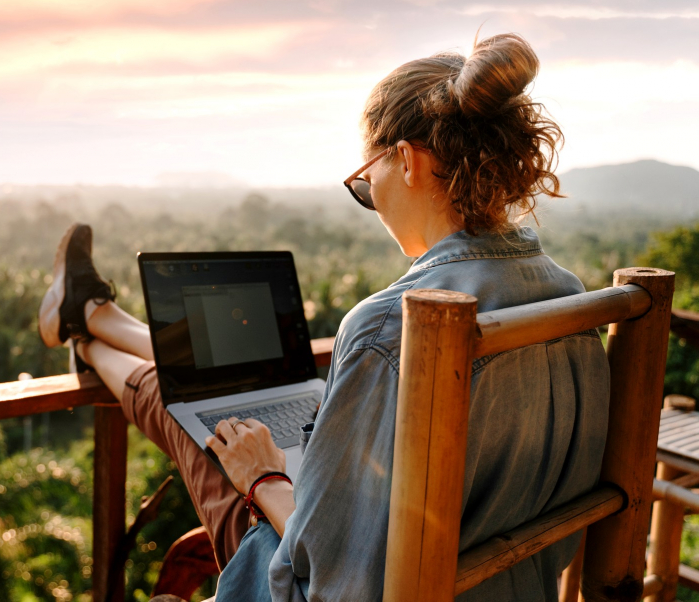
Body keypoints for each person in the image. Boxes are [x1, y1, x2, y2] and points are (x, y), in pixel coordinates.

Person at [37, 33, 609, 601]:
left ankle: (86, 330)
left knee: (198, 412)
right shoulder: (570, 300)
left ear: (406, 161)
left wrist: (264, 478)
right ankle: (93, 321)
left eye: (366, 181)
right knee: (212, 399)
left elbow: (339, 582)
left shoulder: (392, 327)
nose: (371, 198)